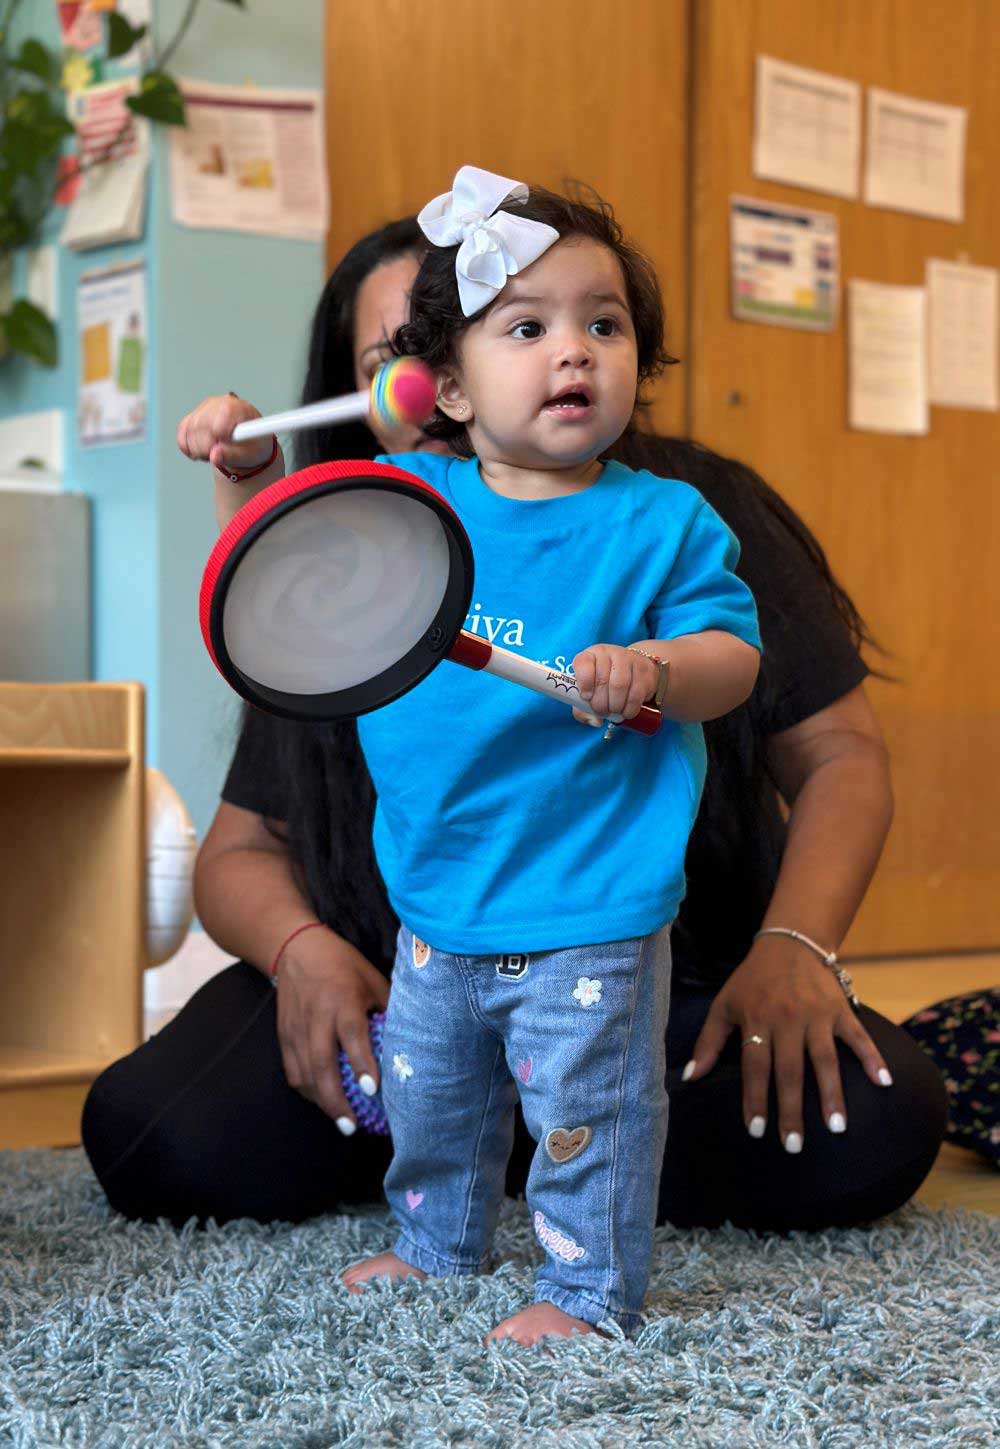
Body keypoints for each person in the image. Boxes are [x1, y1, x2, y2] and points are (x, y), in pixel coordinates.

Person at [82, 188, 948, 1324]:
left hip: (593, 913)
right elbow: (278, 565)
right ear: (437, 386)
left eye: (603, 325)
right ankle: (444, 1225)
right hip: (436, 917)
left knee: (620, 1101)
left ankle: (585, 1269)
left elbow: (738, 663)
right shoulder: (401, 505)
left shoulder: (672, 517)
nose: (571, 353)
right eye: (523, 329)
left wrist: (657, 668)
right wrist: (238, 465)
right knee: (415, 1097)